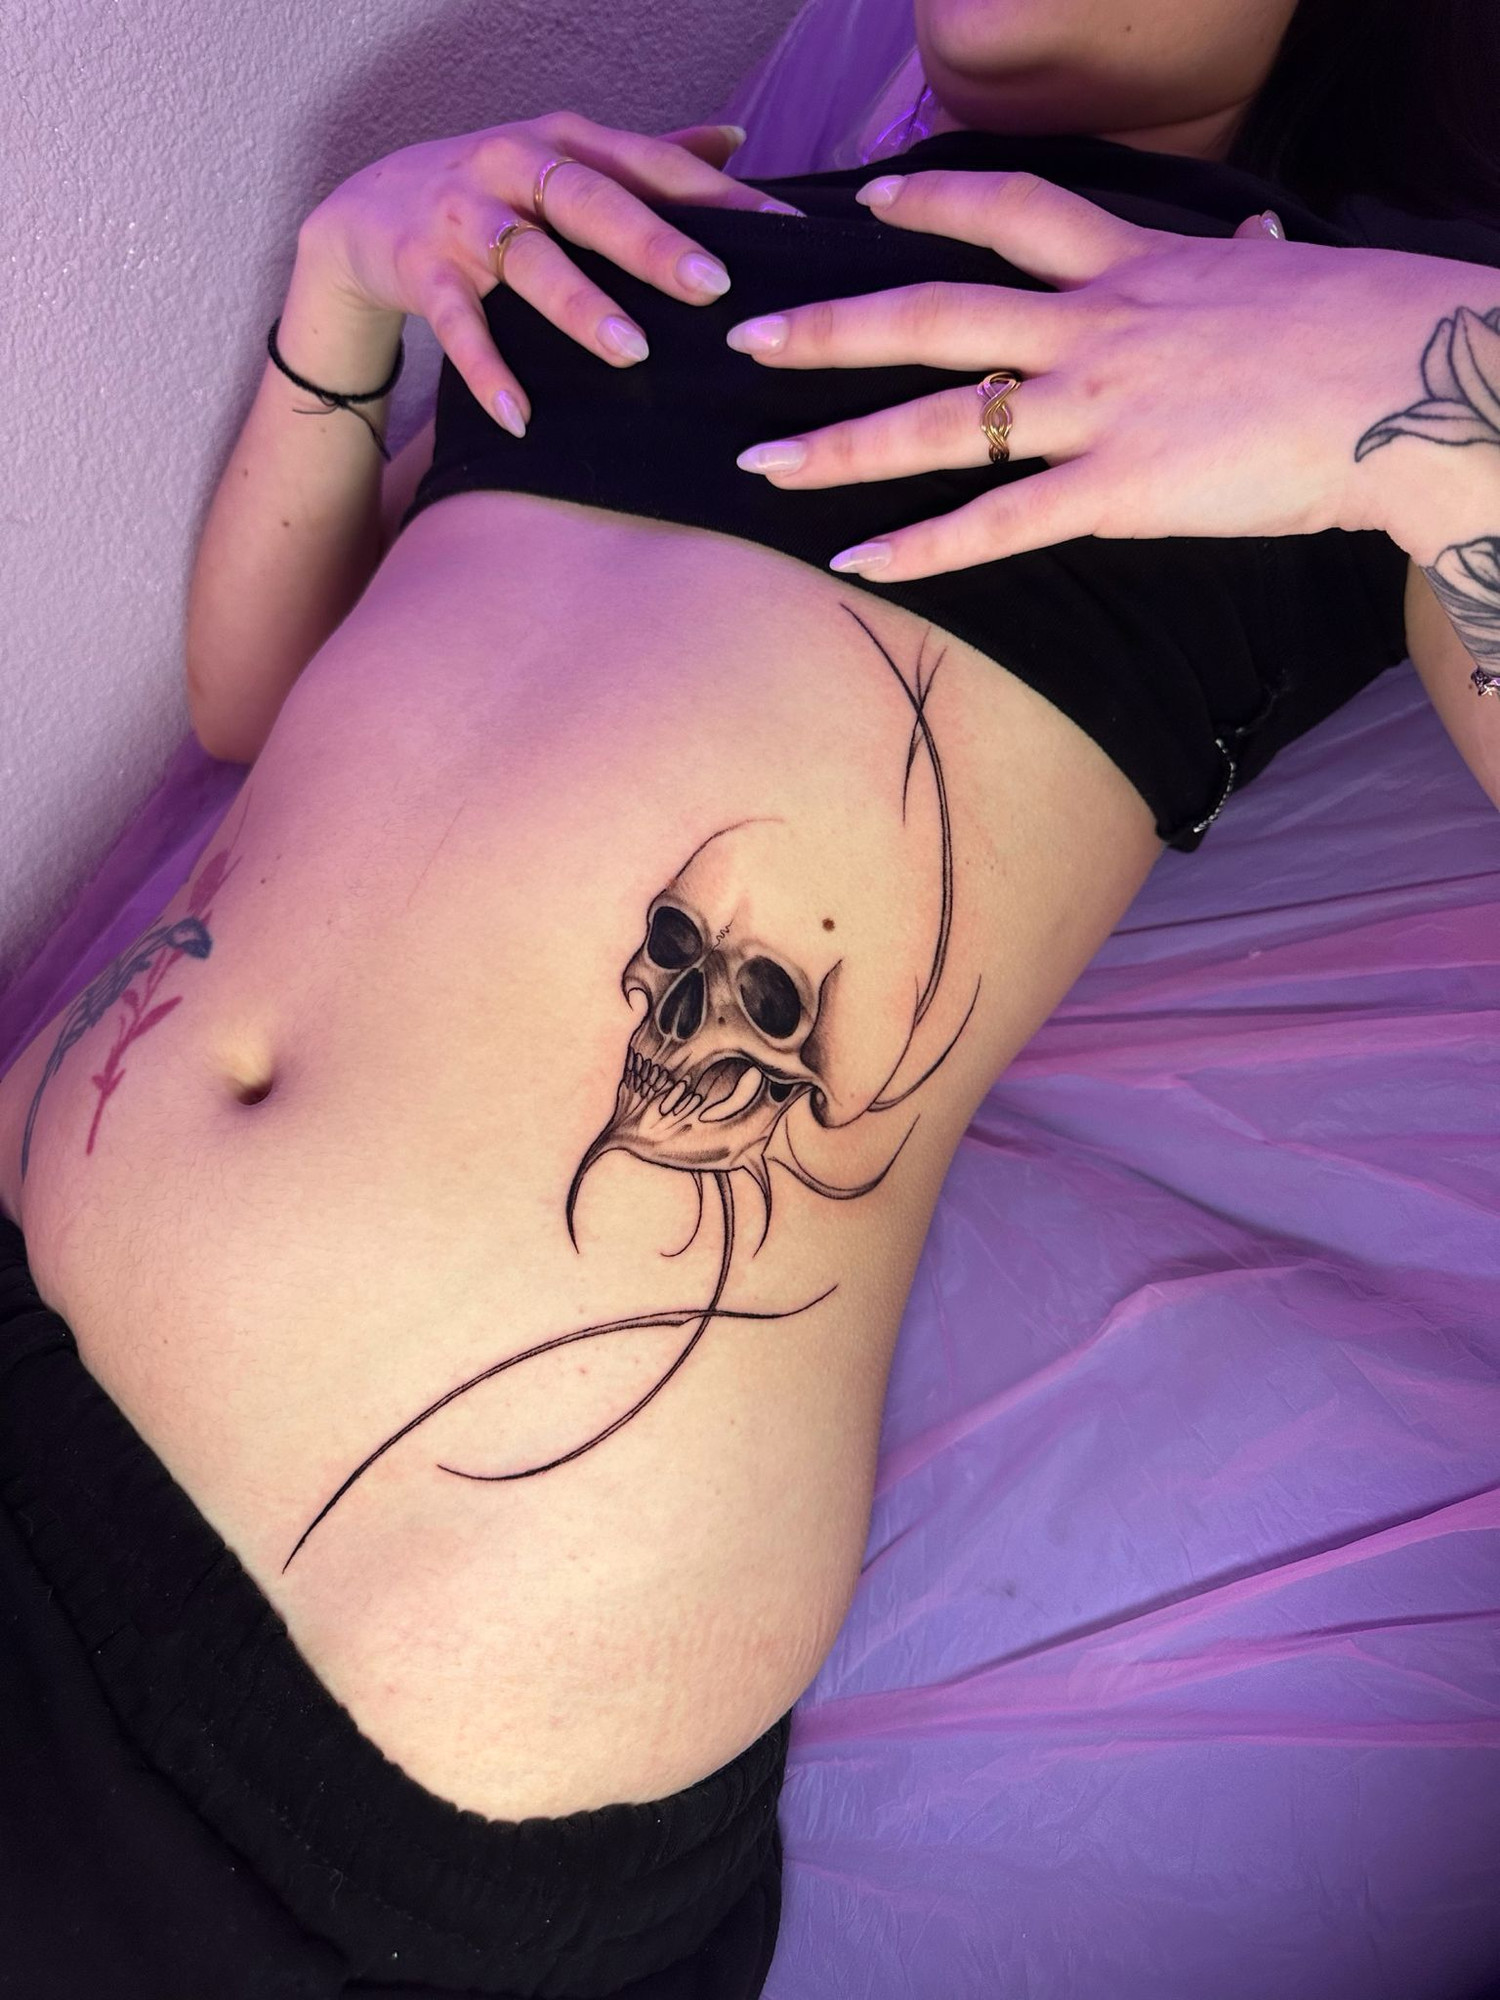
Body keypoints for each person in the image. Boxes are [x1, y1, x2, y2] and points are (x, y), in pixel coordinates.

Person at [1, 0, 1497, 1992]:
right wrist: (344, 286)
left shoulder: (1326, 338)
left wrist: (1439, 370)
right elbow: (264, 708)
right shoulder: (691, 229)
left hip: (318, 1720)